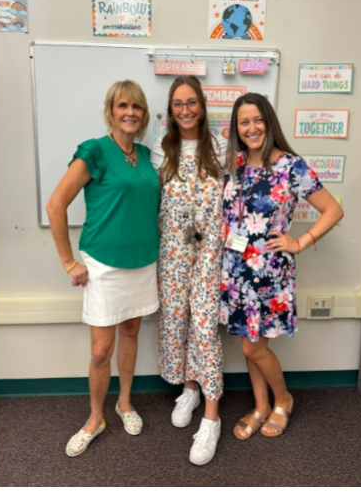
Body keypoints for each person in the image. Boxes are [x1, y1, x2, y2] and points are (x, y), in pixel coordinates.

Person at [46, 80, 160, 457]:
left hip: (143, 263)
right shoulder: (94, 150)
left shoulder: (146, 156)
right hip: (103, 265)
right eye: (123, 106)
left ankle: (124, 403)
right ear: (111, 110)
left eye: (137, 107)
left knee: (131, 333)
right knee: (100, 351)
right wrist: (68, 263)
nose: (130, 113)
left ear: (143, 115)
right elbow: (55, 205)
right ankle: (95, 418)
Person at [221, 93, 344, 440]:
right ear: (236, 128)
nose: (251, 128)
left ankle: (283, 398)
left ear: (269, 121)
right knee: (250, 340)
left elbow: (333, 210)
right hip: (236, 272)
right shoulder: (235, 163)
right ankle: (261, 406)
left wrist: (299, 242)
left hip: (269, 274)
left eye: (257, 120)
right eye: (244, 122)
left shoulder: (291, 166)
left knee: (252, 347)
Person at [148, 76, 227, 465]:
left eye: (192, 102)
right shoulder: (159, 152)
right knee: (177, 321)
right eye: (178, 103)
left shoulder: (223, 150)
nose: (185, 110)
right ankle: (190, 388)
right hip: (173, 254)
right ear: (170, 108)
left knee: (205, 327)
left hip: (210, 255)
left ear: (202, 105)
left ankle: (211, 418)